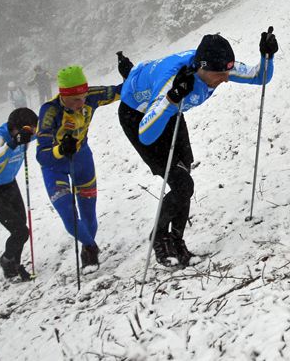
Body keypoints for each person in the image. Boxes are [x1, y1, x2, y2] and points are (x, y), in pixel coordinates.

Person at [117, 31, 277, 267]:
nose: (225, 79)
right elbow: (146, 134)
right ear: (202, 68)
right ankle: (160, 238)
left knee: (184, 178)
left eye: (226, 73)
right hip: (140, 115)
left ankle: (177, 242)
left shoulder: (216, 64)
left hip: (172, 110)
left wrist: (267, 56)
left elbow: (258, 76)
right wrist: (171, 98)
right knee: (183, 184)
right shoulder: (172, 81)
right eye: (220, 75)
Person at [36, 66, 121, 269]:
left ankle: (88, 252)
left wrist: (132, 73)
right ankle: (91, 247)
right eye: (75, 99)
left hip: (82, 159)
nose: (81, 102)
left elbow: (123, 90)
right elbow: (42, 155)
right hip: (54, 166)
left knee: (89, 215)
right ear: (63, 96)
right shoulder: (50, 111)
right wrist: (60, 150)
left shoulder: (90, 96)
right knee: (69, 215)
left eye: (83, 96)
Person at [0, 108, 38, 281]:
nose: (32, 133)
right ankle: (7, 260)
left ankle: (13, 266)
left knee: (21, 227)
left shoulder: (26, 132)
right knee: (20, 232)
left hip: (9, 183)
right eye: (29, 130)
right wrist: (13, 143)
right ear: (16, 128)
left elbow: (46, 132)